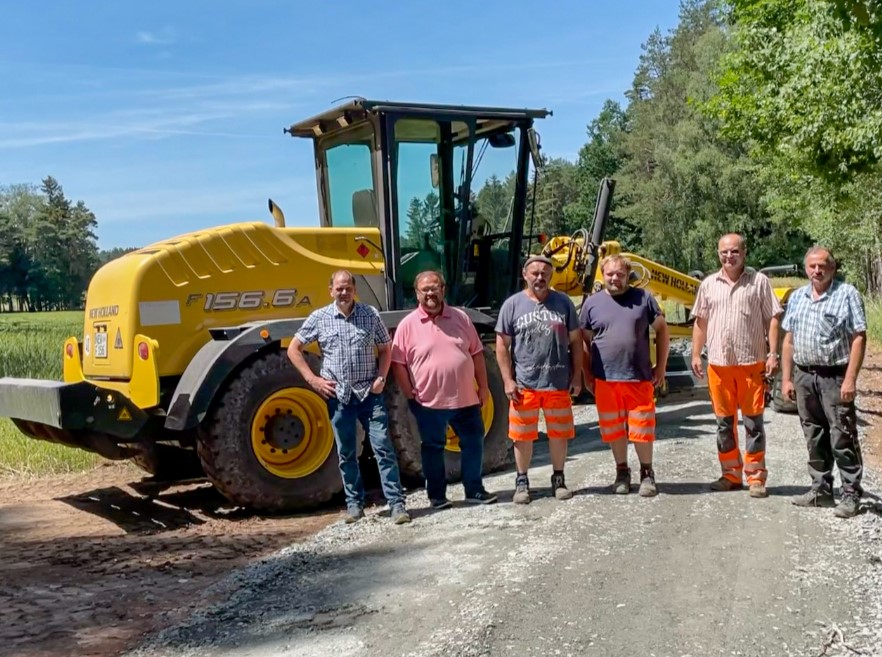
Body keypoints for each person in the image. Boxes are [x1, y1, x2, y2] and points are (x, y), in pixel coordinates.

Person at [287, 270, 411, 525]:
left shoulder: (370, 315)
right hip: (339, 396)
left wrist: (381, 378)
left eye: (348, 288)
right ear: (330, 290)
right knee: (346, 452)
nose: (344, 292)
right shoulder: (320, 318)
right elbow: (293, 348)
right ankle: (354, 504)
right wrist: (313, 380)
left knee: (383, 447)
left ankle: (397, 504)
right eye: (339, 288)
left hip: (369, 394)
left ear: (355, 290)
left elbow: (386, 348)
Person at [390, 270, 498, 508]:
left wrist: (484, 387)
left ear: (443, 290)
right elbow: (398, 364)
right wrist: (409, 394)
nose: (430, 293)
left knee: (473, 442)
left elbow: (477, 353)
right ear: (417, 294)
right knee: (433, 448)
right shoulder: (407, 326)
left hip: (466, 399)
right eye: (425, 289)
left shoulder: (461, 318)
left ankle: (474, 490)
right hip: (429, 402)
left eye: (435, 287)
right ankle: (437, 497)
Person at [691, 233, 784, 498]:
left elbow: (773, 319)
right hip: (719, 365)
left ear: (744, 253)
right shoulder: (708, 284)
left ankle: (755, 477)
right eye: (724, 252)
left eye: (734, 252)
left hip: (751, 363)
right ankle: (730, 474)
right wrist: (696, 354)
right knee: (724, 423)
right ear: (718, 253)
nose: (729, 257)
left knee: (753, 423)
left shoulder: (759, 282)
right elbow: (701, 322)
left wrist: (773, 353)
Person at [781, 246, 866, 519]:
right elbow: (789, 340)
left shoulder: (847, 294)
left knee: (842, 434)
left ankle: (851, 494)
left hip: (834, 376)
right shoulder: (797, 297)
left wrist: (850, 378)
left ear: (833, 268)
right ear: (805, 268)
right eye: (812, 266)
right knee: (813, 433)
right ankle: (821, 489)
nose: (817, 271)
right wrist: (786, 378)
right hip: (804, 375)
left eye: (823, 266)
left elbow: (858, 338)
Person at [495, 254, 583, 504]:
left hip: (557, 382)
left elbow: (576, 341)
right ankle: (522, 481)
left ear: (551, 275)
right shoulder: (512, 305)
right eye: (534, 273)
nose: (539, 277)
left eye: (544, 273)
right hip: (525, 384)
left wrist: (577, 375)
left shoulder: (563, 303)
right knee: (522, 436)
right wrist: (507, 380)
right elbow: (502, 345)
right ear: (525, 275)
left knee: (559, 433)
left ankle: (558, 479)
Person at [580, 255, 669, 497]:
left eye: (620, 274)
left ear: (627, 274)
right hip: (605, 380)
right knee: (614, 430)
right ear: (602, 274)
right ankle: (621, 472)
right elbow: (584, 342)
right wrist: (586, 373)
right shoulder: (592, 304)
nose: (614, 278)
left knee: (641, 429)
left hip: (638, 377)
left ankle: (647, 473)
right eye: (610, 274)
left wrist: (660, 367)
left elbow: (662, 331)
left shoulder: (644, 299)